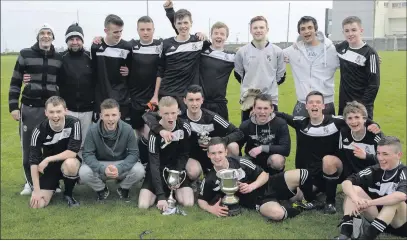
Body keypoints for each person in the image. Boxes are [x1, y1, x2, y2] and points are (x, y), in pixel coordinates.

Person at [275, 91, 380, 214]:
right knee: (294, 197)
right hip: (309, 174)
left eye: (318, 102)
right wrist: (265, 112)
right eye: (311, 102)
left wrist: (374, 124)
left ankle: (330, 202)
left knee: (328, 160)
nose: (315, 105)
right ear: (306, 106)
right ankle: (312, 195)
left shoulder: (336, 122)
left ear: (324, 106)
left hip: (332, 170)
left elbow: (357, 117)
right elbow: (282, 115)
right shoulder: (301, 122)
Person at [143, 85, 243, 185]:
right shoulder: (177, 115)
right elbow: (147, 115)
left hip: (212, 155)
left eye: (197, 99)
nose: (194, 104)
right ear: (185, 100)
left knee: (233, 147)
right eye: (191, 100)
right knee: (193, 171)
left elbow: (238, 132)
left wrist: (220, 141)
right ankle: (193, 183)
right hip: (191, 157)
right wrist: (160, 130)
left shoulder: (212, 117)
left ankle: (227, 176)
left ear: (202, 100)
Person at [198, 137, 316, 221]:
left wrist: (251, 186)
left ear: (226, 152)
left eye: (220, 152)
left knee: (302, 173)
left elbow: (264, 174)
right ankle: (297, 207)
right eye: (213, 153)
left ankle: (311, 200)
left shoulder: (240, 162)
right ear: (208, 155)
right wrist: (211, 209)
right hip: (258, 200)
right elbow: (201, 199)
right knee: (277, 214)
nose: (217, 156)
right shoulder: (210, 178)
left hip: (268, 185)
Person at [8, 23, 63, 195]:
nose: (46, 36)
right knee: (29, 146)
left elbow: (64, 82)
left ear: (53, 37)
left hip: (52, 110)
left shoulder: (59, 58)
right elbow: (16, 81)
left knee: (53, 146)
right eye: (42, 33)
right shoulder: (25, 54)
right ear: (37, 36)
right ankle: (30, 182)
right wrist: (13, 107)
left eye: (49, 33)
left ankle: (53, 182)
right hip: (30, 108)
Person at [164, 0, 235, 120]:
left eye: (222, 34)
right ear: (210, 36)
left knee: (222, 135)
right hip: (200, 101)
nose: (218, 36)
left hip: (220, 102)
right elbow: (182, 32)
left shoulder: (232, 57)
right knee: (199, 134)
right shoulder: (202, 49)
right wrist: (170, 12)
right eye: (216, 33)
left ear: (226, 37)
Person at [336, 136, 406, 240]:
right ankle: (345, 234)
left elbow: (401, 196)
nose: (380, 158)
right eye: (378, 153)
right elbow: (346, 182)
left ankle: (367, 237)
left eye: (385, 154)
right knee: (354, 189)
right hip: (378, 220)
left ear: (399, 155)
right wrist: (355, 198)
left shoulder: (403, 172)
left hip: (400, 224)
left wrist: (369, 203)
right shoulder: (374, 169)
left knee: (395, 200)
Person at [79, 99, 145, 202]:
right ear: (101, 116)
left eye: (114, 115)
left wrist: (120, 168)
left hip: (120, 163)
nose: (110, 119)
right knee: (83, 172)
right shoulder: (92, 130)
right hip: (101, 164)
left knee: (139, 170)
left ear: (119, 115)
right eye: (107, 115)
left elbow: (134, 153)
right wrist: (102, 169)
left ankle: (123, 188)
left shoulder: (127, 129)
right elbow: (87, 154)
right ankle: (101, 189)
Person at [138, 96, 193, 211]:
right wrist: (160, 196)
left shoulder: (184, 127)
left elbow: (184, 154)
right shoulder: (154, 134)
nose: (170, 117)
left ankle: (175, 191)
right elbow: (154, 164)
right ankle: (164, 192)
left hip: (175, 168)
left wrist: (177, 175)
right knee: (143, 205)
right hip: (157, 171)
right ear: (159, 113)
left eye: (173, 112)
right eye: (166, 113)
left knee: (188, 203)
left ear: (178, 111)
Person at [29, 96, 81, 208]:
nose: (55, 115)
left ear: (65, 111)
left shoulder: (74, 123)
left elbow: (72, 152)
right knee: (37, 205)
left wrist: (48, 159)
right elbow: (33, 161)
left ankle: (68, 194)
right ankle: (53, 185)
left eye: (58, 111)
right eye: (51, 112)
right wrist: (36, 191)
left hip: (66, 161)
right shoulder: (38, 130)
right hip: (50, 168)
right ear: (46, 113)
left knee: (71, 164)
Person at [155, 6, 210, 112]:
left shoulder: (199, 42)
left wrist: (205, 36)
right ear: (174, 24)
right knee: (167, 125)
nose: (183, 26)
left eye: (185, 23)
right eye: (179, 23)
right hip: (167, 93)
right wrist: (155, 95)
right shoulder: (166, 44)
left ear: (191, 23)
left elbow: (215, 48)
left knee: (186, 126)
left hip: (187, 95)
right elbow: (160, 71)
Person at [283, 16, 339, 116]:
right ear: (299, 32)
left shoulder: (331, 50)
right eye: (303, 29)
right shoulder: (293, 51)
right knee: (302, 132)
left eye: (310, 28)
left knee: (328, 132)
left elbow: (350, 61)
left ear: (316, 30)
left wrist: (371, 57)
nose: (306, 31)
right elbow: (272, 55)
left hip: (325, 104)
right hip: (303, 104)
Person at [234, 16, 286, 122]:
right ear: (251, 30)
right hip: (248, 101)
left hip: (270, 100)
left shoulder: (277, 51)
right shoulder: (242, 52)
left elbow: (281, 76)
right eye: (255, 28)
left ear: (267, 29)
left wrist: (267, 89)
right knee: (247, 134)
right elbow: (238, 74)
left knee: (271, 135)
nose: (258, 30)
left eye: (261, 27)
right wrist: (250, 90)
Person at [336, 16, 380, 119]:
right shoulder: (342, 47)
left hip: (361, 107)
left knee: (362, 134)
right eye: (347, 31)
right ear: (343, 33)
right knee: (344, 134)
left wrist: (361, 106)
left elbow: (374, 85)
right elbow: (325, 48)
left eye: (353, 30)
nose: (350, 34)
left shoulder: (370, 53)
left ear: (361, 31)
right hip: (344, 105)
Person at [91, 14, 132, 122]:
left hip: (121, 98)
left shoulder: (127, 47)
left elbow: (133, 70)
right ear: (106, 31)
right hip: (102, 98)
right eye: (115, 32)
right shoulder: (96, 47)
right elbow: (94, 72)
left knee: (120, 132)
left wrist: (129, 71)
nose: (119, 34)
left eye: (120, 31)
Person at [238, 94, 290, 175]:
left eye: (266, 108)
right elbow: (238, 146)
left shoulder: (280, 123)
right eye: (259, 108)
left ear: (272, 109)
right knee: (240, 162)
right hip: (252, 159)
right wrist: (239, 161)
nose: (262, 112)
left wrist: (262, 148)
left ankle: (276, 179)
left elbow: (286, 149)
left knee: (277, 160)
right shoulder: (246, 125)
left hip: (272, 158)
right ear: (254, 109)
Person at [339, 101, 383, 177]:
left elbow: (386, 160)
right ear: (345, 121)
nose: (353, 121)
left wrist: (367, 156)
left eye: (357, 117)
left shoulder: (375, 135)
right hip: (353, 176)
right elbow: (343, 158)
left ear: (365, 119)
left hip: (373, 176)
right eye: (350, 118)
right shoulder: (344, 133)